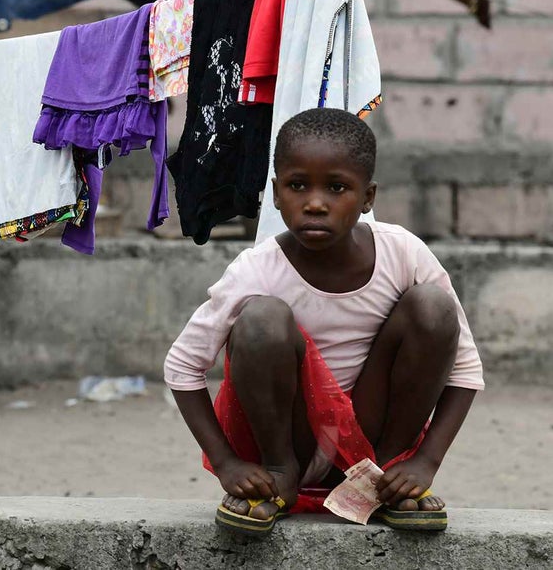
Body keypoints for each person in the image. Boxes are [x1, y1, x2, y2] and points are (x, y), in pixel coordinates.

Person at [164, 108, 482, 536]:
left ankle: (384, 482)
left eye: (337, 187)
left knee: (433, 306)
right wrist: (227, 463)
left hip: (371, 439)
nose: (315, 203)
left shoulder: (403, 253)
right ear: (276, 194)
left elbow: (465, 369)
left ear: (367, 198)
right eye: (298, 186)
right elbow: (182, 366)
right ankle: (278, 478)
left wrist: (424, 462)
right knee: (261, 317)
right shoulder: (256, 269)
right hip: (288, 439)